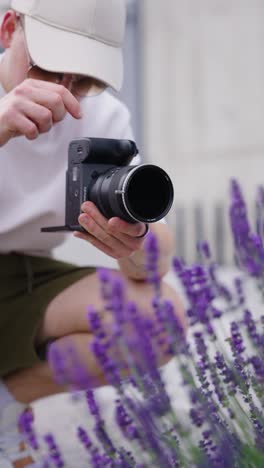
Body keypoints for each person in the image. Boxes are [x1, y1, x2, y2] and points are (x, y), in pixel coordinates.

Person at [0, 0, 185, 465]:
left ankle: (4, 404)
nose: (64, 91)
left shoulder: (103, 118)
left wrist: (135, 242)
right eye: (50, 66)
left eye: (83, 77)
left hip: (25, 276)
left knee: (158, 317)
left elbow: (156, 251)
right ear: (7, 30)